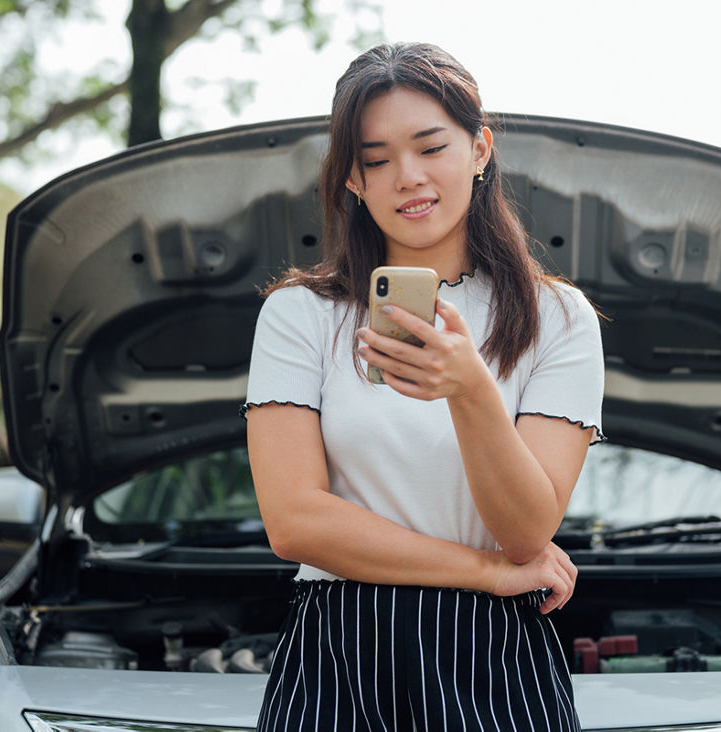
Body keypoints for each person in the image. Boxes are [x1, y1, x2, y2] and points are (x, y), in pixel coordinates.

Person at [242, 41, 604, 731]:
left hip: (494, 661)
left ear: (480, 148)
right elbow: (294, 523)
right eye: (376, 160)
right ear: (352, 179)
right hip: (338, 656)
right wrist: (485, 572)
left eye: (431, 146)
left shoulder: (559, 319)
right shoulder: (299, 315)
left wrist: (470, 391)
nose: (407, 176)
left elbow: (528, 530)